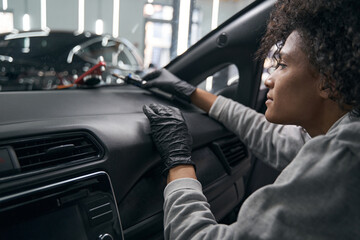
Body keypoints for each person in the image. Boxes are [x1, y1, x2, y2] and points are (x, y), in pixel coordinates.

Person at [142, 0, 360, 239]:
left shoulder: (342, 159)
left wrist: (178, 162)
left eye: (283, 65)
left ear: (329, 82)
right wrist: (189, 91)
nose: (269, 79)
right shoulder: (340, 133)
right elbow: (267, 134)